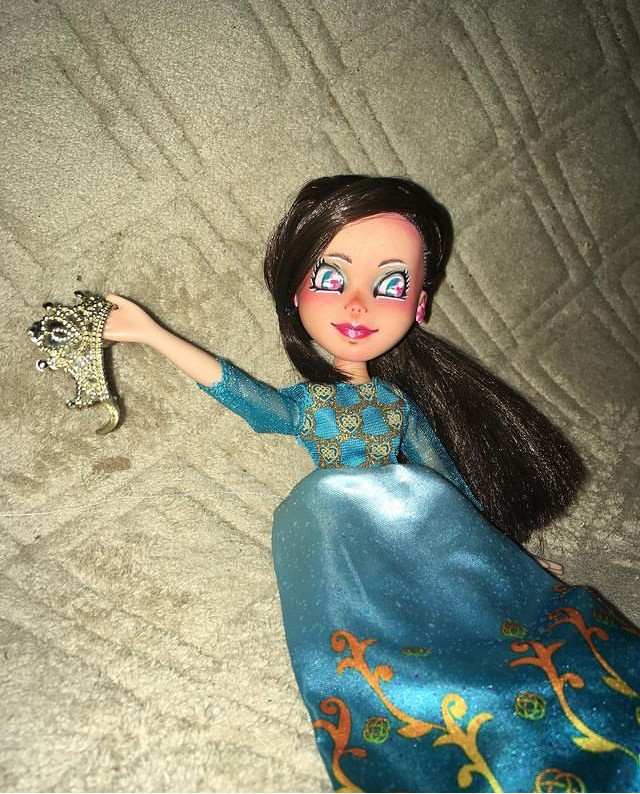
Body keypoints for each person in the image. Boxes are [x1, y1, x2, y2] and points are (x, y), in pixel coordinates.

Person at [104, 176, 639, 793]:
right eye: (332, 279)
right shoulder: (306, 406)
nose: (358, 305)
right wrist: (154, 334)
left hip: (422, 518)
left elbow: (444, 479)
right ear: (296, 292)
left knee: (510, 635)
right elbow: (243, 395)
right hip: (338, 532)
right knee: (374, 644)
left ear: (419, 305)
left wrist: (506, 556)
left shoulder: (397, 404)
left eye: (390, 286)